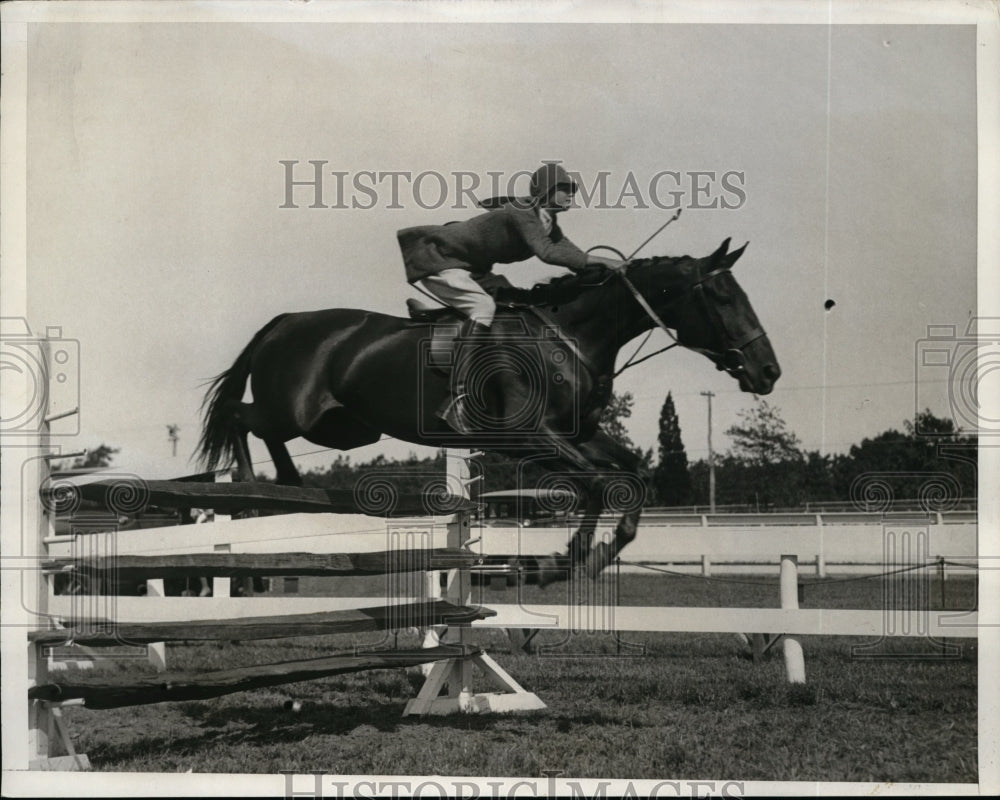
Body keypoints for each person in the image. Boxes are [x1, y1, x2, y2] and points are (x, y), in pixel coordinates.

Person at [397, 163, 628, 433]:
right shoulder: (523, 212)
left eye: (571, 190)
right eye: (564, 190)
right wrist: (603, 260)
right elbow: (547, 253)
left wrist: (603, 269)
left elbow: (567, 251)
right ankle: (458, 399)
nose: (571, 195)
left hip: (474, 269)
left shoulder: (547, 221)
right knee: (483, 307)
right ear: (546, 191)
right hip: (441, 259)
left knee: (514, 301)